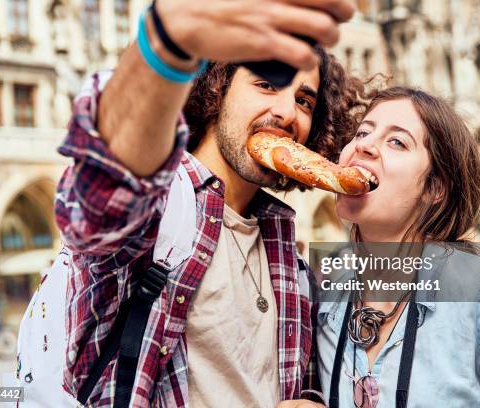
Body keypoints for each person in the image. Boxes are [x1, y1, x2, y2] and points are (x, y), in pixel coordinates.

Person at [54, 0, 359, 406]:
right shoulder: (162, 210)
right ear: (216, 88)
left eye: (304, 101)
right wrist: (166, 46)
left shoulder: (292, 260)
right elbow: (104, 196)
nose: (287, 112)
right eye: (266, 84)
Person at [315, 87, 480, 407]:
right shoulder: (325, 292)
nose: (364, 145)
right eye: (363, 131)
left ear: (435, 188)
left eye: (397, 141)